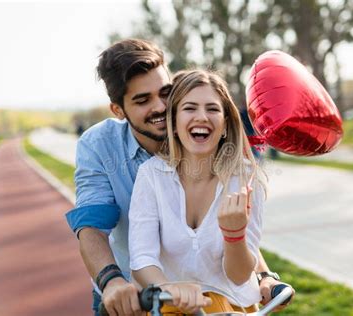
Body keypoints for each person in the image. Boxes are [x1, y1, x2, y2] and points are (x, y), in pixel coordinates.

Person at [65, 38, 293, 316]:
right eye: (142, 100)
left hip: (222, 298)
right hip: (134, 292)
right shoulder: (104, 148)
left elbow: (225, 236)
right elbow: (91, 227)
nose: (161, 107)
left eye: (165, 92)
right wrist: (111, 282)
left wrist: (263, 274)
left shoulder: (218, 155)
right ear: (119, 110)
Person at [129, 69, 269, 313]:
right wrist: (168, 289)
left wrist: (234, 234)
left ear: (225, 125)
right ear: (173, 123)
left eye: (213, 109)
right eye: (190, 108)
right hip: (172, 308)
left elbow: (238, 276)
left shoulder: (246, 178)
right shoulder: (150, 176)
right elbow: (142, 259)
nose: (202, 117)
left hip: (232, 307)